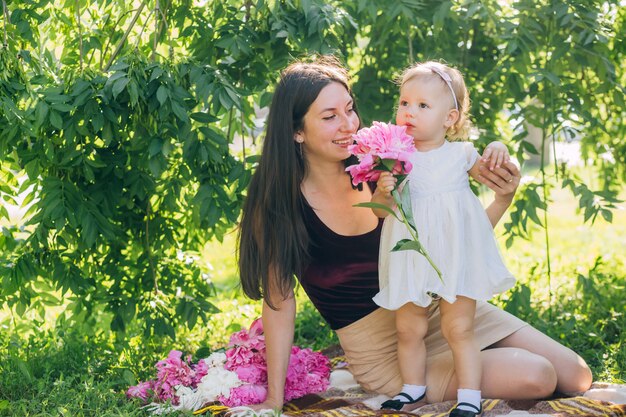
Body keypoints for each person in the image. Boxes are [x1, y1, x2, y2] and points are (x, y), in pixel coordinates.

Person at [237, 56, 592, 413]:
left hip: (444, 308)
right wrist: (274, 398)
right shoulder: (278, 205)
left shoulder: (385, 163)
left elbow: (453, 236)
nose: (348, 125)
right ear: (296, 130)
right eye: (330, 117)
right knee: (538, 376)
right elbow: (280, 304)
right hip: (387, 351)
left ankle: (482, 359)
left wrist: (502, 198)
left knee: (576, 376)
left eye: (349, 109)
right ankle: (445, 380)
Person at [371, 62, 516, 415]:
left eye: (423, 105)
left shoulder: (461, 155)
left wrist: (498, 145)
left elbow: (496, 173)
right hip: (410, 254)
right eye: (404, 103)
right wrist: (383, 191)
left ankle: (469, 395)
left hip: (454, 255)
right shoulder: (394, 160)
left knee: (459, 327)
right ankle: (412, 388)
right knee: (408, 327)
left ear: (449, 118)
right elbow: (378, 212)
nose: (409, 112)